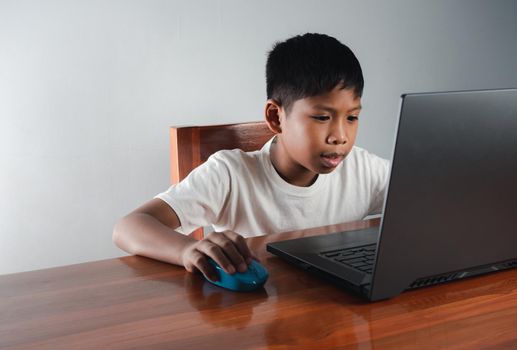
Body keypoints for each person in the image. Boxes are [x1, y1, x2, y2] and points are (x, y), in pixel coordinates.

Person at [113, 33, 389, 282]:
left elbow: (427, 194)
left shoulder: (362, 168)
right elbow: (128, 227)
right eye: (322, 117)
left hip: (336, 310)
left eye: (352, 117)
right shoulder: (231, 175)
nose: (340, 136)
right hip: (250, 318)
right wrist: (187, 249)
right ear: (275, 117)